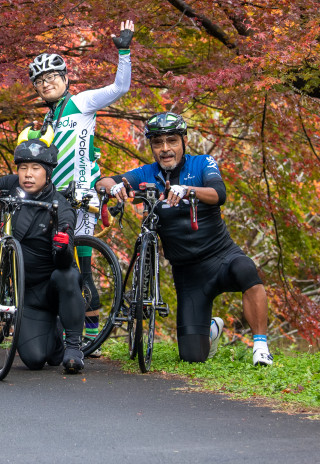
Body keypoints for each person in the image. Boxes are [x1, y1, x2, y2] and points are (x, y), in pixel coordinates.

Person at [97, 112, 273, 366]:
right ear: (152, 147)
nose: (165, 149)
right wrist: (113, 188)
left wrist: (189, 190)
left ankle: (261, 347)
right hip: (188, 275)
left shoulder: (202, 163)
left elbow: (218, 194)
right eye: (158, 143)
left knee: (246, 268)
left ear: (184, 142)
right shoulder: (146, 173)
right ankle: (211, 329)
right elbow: (102, 183)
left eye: (172, 141)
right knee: (192, 356)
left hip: (221, 257)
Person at [29, 19, 134, 340]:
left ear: (64, 79)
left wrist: (125, 52)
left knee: (82, 264)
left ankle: (88, 335)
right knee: (61, 263)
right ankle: (66, 328)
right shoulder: (47, 118)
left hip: (84, 193)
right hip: (54, 196)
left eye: (51, 78)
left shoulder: (81, 101)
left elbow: (120, 88)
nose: (46, 84)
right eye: (39, 81)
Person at [0, 140, 86, 373]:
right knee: (35, 360)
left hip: (54, 285)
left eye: (36, 168)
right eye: (23, 167)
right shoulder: (12, 185)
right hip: (29, 294)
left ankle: (74, 347)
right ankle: (54, 338)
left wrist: (64, 246)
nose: (28, 174)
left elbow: (64, 263)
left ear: (48, 172)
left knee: (67, 275)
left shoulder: (61, 206)